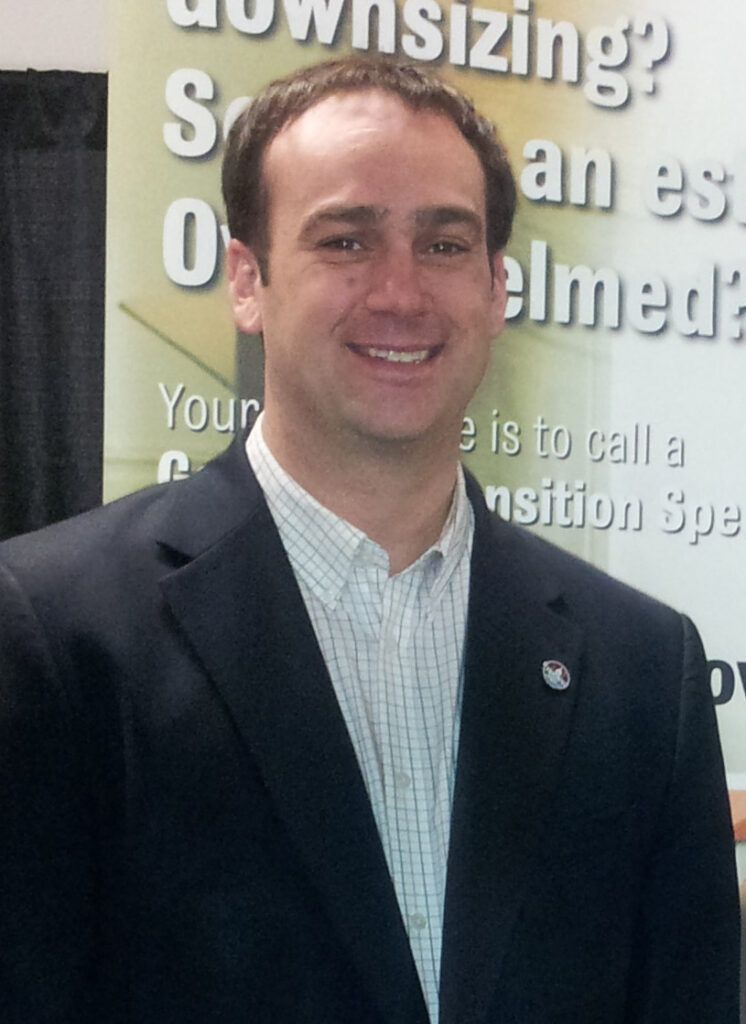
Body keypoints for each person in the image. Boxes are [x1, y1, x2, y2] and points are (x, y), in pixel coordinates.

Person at [0, 57, 738, 1024]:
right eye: (345, 240)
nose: (400, 292)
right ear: (248, 281)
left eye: (444, 245)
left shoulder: (642, 669)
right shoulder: (55, 633)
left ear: (496, 288)